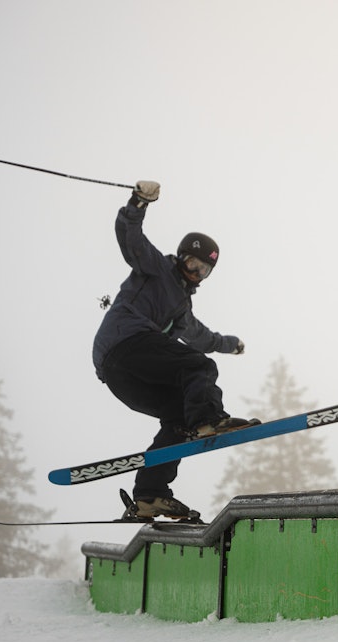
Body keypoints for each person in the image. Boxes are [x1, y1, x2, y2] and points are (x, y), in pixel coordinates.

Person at [92, 180, 256, 520]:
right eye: (191, 262)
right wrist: (138, 202)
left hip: (121, 375)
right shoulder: (157, 268)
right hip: (125, 341)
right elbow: (130, 237)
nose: (195, 272)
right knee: (199, 368)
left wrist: (230, 344)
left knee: (181, 417)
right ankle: (209, 420)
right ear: (180, 256)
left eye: (204, 270)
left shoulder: (180, 308)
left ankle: (150, 493)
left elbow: (200, 337)